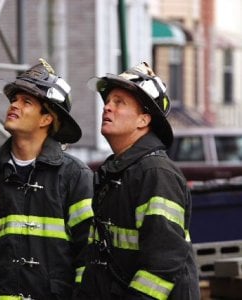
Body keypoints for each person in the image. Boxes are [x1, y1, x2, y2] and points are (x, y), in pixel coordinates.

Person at [75, 62, 200, 299]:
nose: (107, 108)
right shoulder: (117, 172)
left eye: (119, 102)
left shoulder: (156, 173)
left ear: (144, 120)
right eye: (108, 101)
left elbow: (163, 263)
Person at [0, 58, 94, 300]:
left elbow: (88, 255)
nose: (14, 106)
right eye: (14, 99)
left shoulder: (74, 176)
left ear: (46, 119)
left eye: (26, 101)